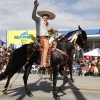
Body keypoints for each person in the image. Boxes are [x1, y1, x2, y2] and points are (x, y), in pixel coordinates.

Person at [32, 0, 56, 68]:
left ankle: (50, 60)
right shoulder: (39, 20)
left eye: (48, 17)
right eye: (46, 16)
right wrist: (35, 8)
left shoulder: (46, 24)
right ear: (43, 16)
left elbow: (46, 32)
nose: (47, 17)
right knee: (46, 46)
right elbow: (33, 16)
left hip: (46, 37)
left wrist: (51, 31)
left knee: (54, 43)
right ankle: (43, 64)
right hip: (41, 38)